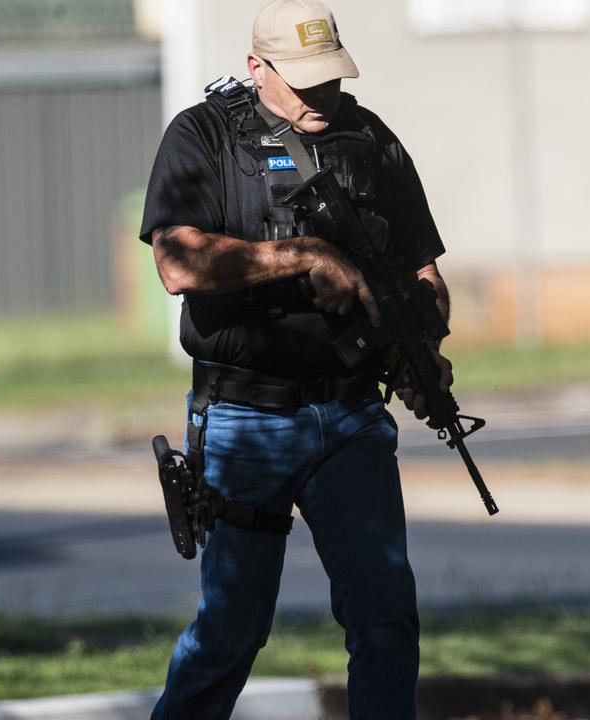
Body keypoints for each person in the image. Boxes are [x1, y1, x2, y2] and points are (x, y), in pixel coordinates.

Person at [139, 0, 453, 716]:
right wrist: (301, 256)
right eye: (303, 81)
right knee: (232, 630)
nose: (322, 96)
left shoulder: (371, 140)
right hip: (249, 415)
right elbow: (178, 264)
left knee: (386, 618)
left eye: (331, 78)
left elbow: (423, 269)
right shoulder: (203, 137)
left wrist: (423, 351)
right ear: (257, 69)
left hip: (351, 414)